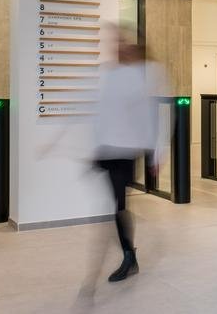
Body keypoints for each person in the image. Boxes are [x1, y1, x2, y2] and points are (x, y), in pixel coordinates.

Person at [93, 27, 167, 283]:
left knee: (119, 204)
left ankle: (129, 256)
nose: (117, 47)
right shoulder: (112, 73)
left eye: (121, 42)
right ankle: (128, 254)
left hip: (127, 149)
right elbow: (104, 111)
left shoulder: (148, 72)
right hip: (108, 148)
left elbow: (154, 116)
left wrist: (155, 154)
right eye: (114, 43)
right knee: (117, 204)